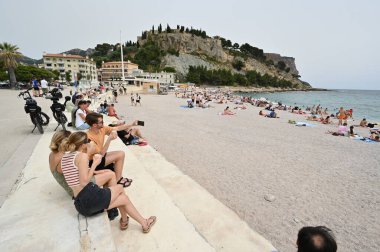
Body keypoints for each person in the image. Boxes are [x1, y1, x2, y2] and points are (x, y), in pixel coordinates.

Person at [60, 132, 156, 232]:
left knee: (123, 198)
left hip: (80, 205)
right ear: (83, 144)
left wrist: (102, 170)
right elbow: (84, 182)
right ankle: (132, 221)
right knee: (119, 188)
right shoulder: (82, 156)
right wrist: (95, 163)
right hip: (89, 199)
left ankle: (129, 221)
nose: (90, 142)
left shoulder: (65, 158)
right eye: (88, 141)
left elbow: (80, 174)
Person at [85, 112, 138, 184]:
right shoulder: (89, 138)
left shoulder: (101, 129)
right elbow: (101, 155)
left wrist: (132, 124)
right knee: (120, 154)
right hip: (93, 162)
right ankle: (118, 180)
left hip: (98, 157)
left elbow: (117, 128)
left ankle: (117, 176)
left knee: (119, 155)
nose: (103, 123)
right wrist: (109, 139)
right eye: (101, 122)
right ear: (94, 125)